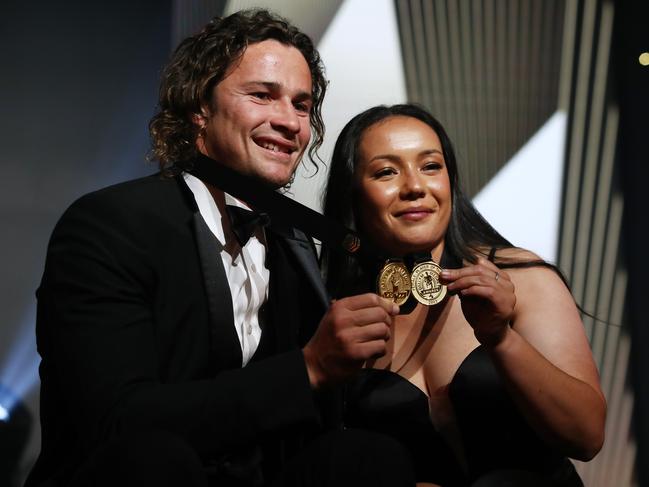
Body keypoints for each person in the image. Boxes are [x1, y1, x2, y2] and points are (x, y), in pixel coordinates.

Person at [25, 10, 416, 487]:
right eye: (262, 95)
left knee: (365, 457)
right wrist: (309, 367)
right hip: (140, 473)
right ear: (198, 108)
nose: (289, 121)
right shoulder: (111, 225)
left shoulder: (294, 242)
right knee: (155, 461)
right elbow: (119, 422)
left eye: (300, 104)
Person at [321, 104, 606, 487]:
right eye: (387, 172)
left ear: (450, 181)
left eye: (431, 166)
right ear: (352, 194)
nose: (415, 187)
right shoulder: (335, 313)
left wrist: (499, 337)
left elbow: (587, 436)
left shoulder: (521, 277)